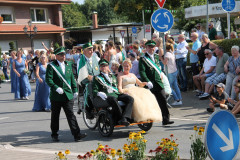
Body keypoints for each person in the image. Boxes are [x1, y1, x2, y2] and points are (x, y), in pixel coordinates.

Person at [45, 46, 87, 142]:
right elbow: (48, 79)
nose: (63, 56)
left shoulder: (69, 64)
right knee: (55, 116)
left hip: (68, 94)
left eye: (64, 54)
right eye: (60, 55)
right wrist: (56, 88)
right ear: (56, 56)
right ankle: (54, 134)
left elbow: (72, 78)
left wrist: (75, 90)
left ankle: (77, 134)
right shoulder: (52, 66)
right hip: (56, 96)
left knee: (71, 115)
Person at [139, 40, 174, 125]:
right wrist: (147, 81)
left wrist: (161, 75)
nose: (151, 48)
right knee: (149, 103)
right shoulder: (143, 59)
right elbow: (142, 71)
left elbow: (158, 68)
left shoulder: (156, 56)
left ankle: (166, 119)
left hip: (158, 82)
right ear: (146, 48)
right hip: (150, 84)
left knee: (163, 100)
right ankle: (146, 120)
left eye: (153, 47)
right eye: (149, 47)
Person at [92, 59, 133, 126]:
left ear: (108, 67)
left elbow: (116, 87)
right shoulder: (97, 78)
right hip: (106, 96)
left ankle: (125, 117)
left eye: (105, 66)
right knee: (113, 99)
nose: (103, 67)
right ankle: (121, 118)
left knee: (130, 99)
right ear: (99, 68)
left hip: (116, 94)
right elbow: (94, 90)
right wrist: (99, 93)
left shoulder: (113, 76)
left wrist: (123, 92)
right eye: (102, 66)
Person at [77, 42, 100, 114]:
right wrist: (89, 77)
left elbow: (102, 66)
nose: (92, 51)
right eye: (89, 49)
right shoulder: (80, 60)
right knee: (91, 88)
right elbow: (81, 73)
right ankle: (91, 109)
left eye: (92, 49)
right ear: (84, 51)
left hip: (96, 79)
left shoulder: (96, 58)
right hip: (86, 81)